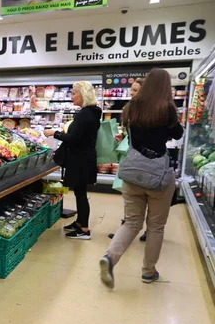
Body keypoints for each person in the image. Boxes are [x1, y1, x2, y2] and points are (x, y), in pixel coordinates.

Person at [99, 68, 184, 288]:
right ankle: (148, 271)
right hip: (157, 175)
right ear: (165, 87)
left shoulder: (131, 107)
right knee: (155, 227)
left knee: (132, 222)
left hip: (132, 172)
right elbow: (178, 134)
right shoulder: (167, 109)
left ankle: (110, 257)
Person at [45, 81, 102, 239]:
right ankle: (79, 222)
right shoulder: (93, 112)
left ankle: (84, 229)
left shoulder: (85, 114)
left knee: (81, 193)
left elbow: (73, 138)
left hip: (80, 160)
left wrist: (54, 133)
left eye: (74, 93)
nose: (72, 96)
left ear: (83, 94)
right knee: (79, 192)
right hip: (85, 158)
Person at [109, 78, 146, 241]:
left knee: (146, 195)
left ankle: (148, 230)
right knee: (128, 194)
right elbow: (129, 132)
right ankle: (126, 227)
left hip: (146, 160)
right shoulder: (129, 109)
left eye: (135, 90)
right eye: (131, 89)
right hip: (131, 157)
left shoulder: (150, 112)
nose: (131, 93)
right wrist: (122, 135)